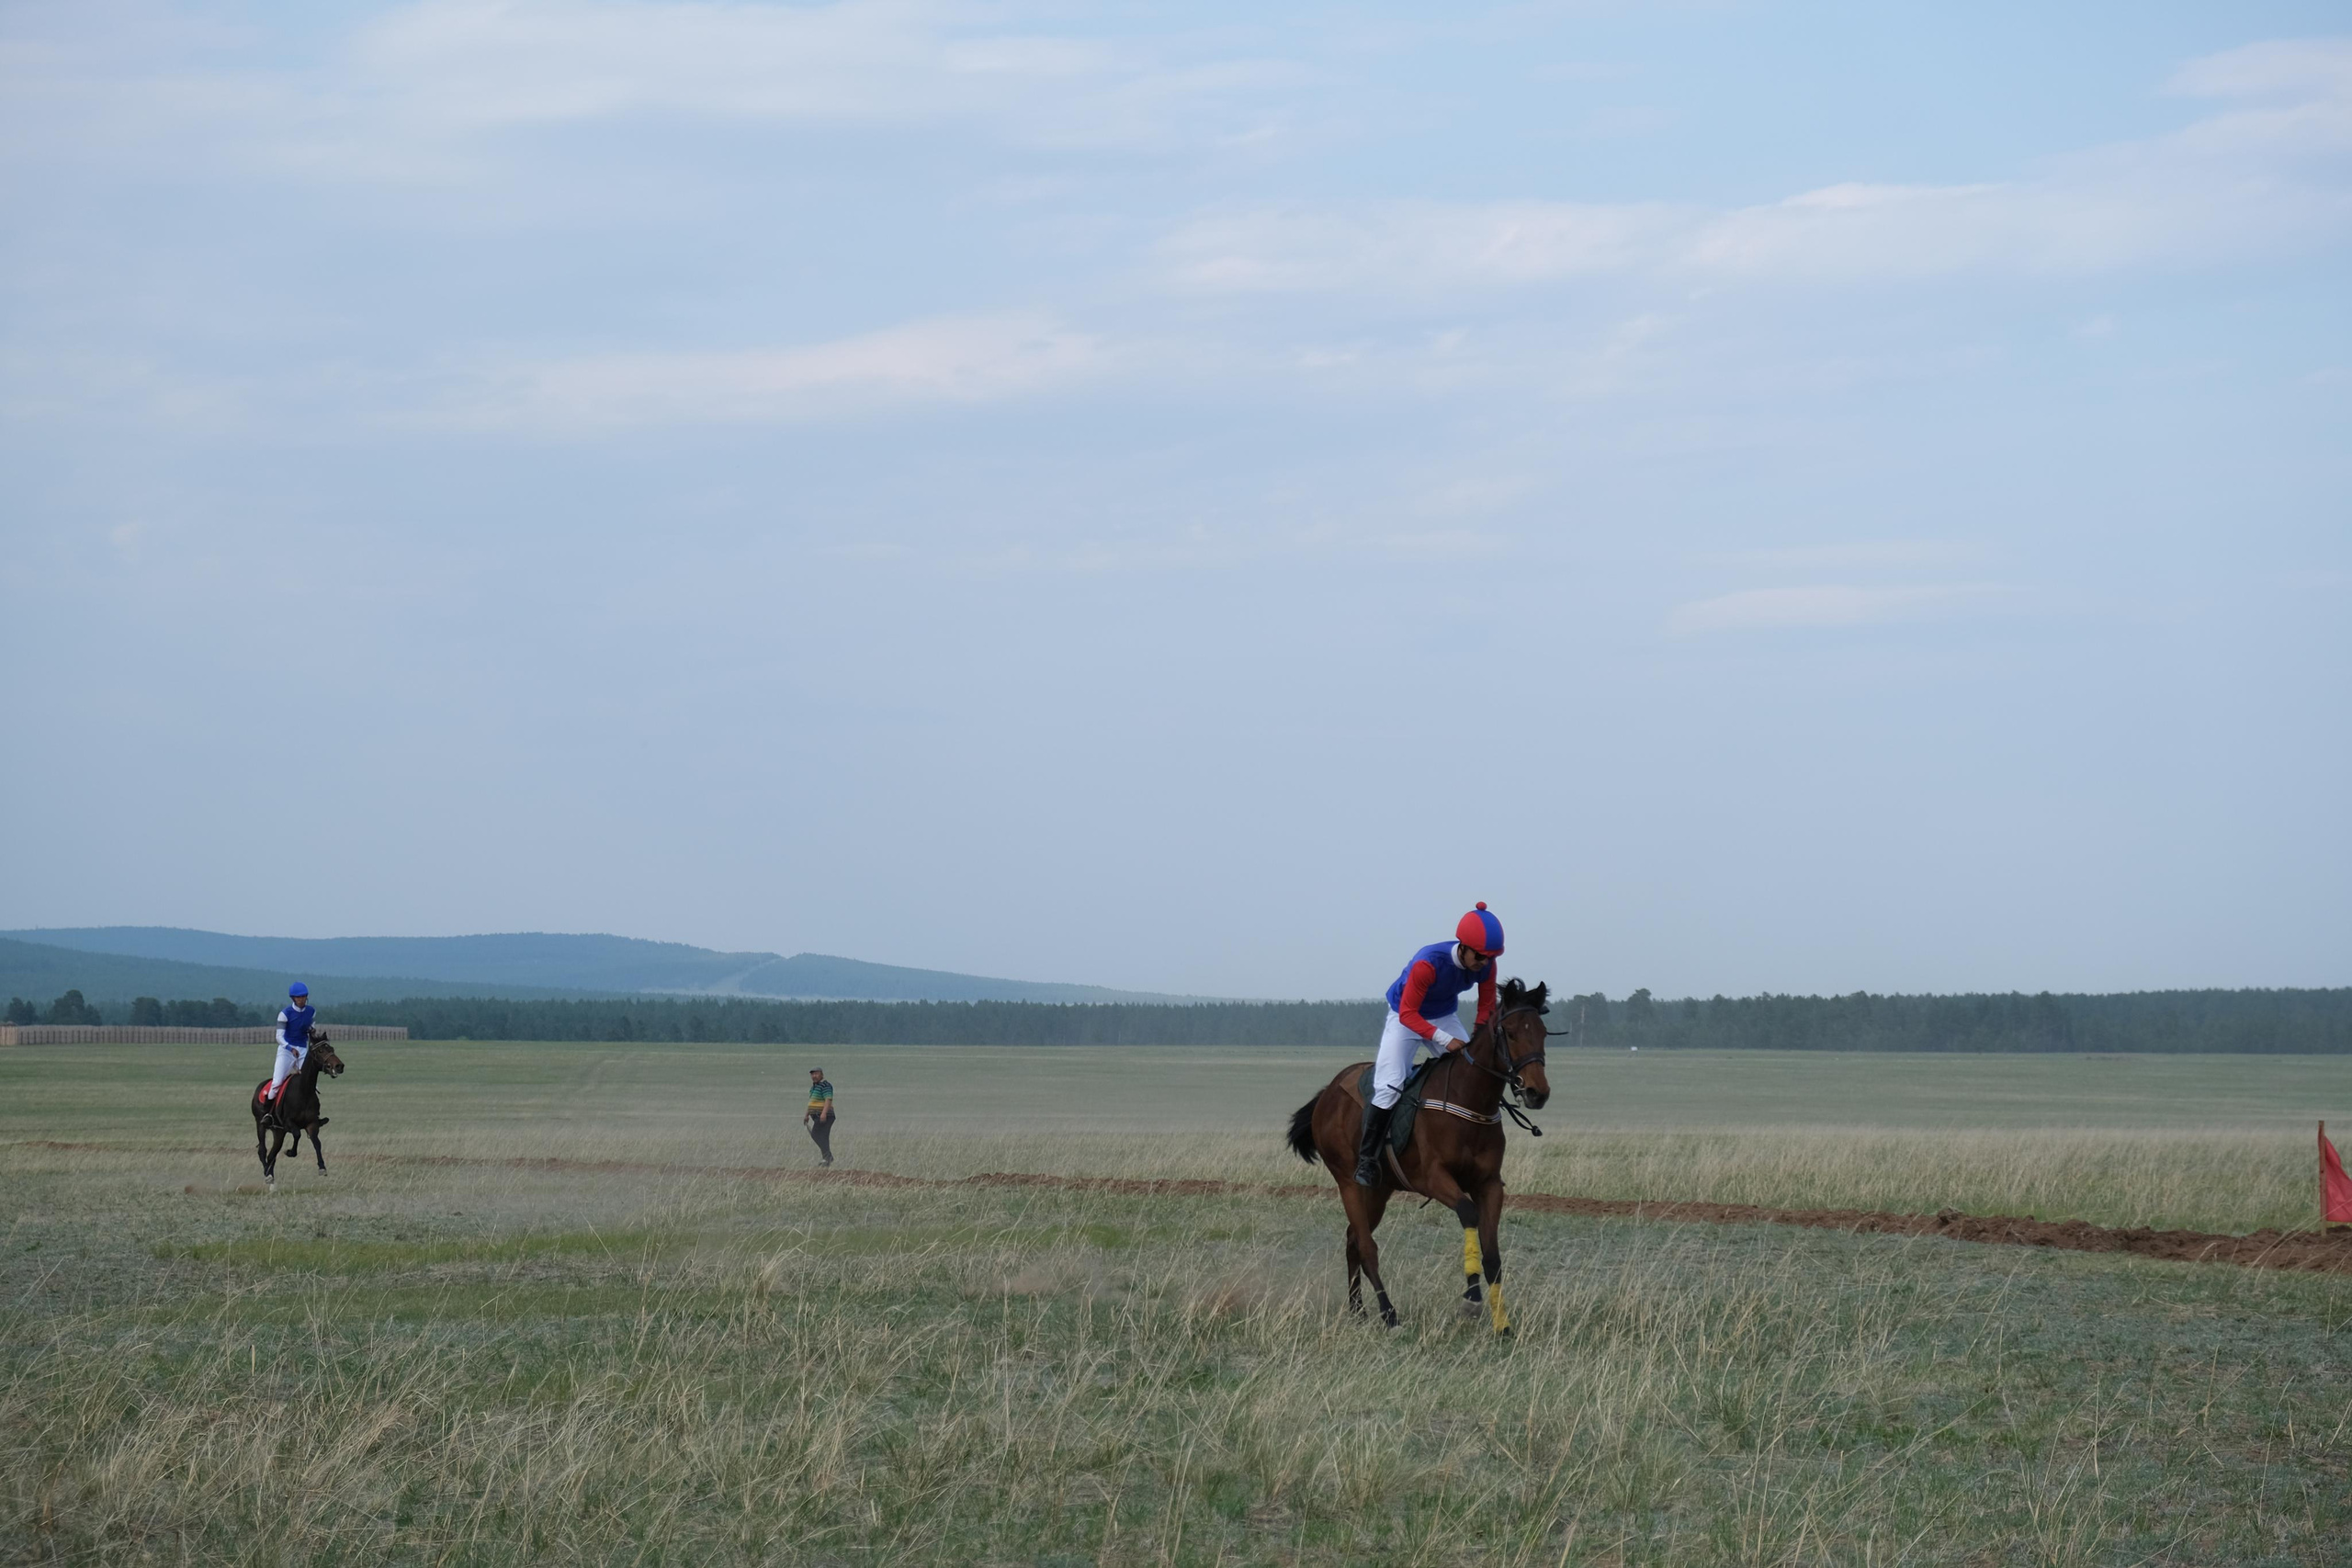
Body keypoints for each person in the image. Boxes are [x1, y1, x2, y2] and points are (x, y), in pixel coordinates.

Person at [1358, 905, 1503, 1185]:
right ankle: (1367, 1161)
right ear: (1463, 947)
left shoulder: (1487, 965)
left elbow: (1485, 1007)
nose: (1484, 963)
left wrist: (1475, 1041)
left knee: (1474, 1069)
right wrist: (1446, 1040)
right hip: (1404, 1016)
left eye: (1491, 958)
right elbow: (1409, 1014)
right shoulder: (1428, 963)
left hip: (1444, 1016)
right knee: (1389, 1085)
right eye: (1480, 956)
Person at [265, 983, 316, 1118]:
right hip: (286, 1050)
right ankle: (268, 1114)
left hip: (303, 1049)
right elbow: (279, 1037)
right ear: (293, 998)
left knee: (310, 1083)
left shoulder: (311, 1011)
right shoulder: (284, 1014)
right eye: (299, 997)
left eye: (304, 996)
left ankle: (313, 1114)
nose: (302, 999)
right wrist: (290, 1048)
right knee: (276, 1083)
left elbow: (311, 1030)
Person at [803, 1066, 836, 1167]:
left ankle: (828, 1156)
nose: (814, 1076)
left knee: (816, 1134)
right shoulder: (813, 1088)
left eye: (816, 1074)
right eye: (812, 1074)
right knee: (823, 1137)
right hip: (817, 1115)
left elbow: (828, 1100)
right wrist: (807, 1115)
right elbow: (811, 1102)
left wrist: (824, 1113)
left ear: (821, 1074)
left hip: (826, 1115)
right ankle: (826, 1159)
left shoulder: (826, 1085)